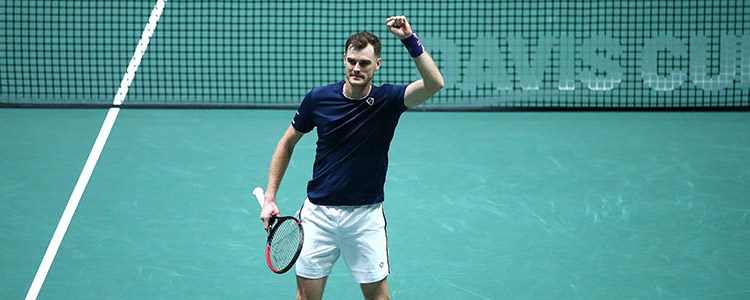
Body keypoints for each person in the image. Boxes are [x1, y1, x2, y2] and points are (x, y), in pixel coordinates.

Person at [259, 16, 443, 300]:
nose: (356, 68)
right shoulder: (319, 99)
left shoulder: (388, 100)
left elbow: (434, 84)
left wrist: (409, 38)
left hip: (364, 218)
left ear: (377, 65)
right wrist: (270, 197)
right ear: (344, 59)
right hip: (317, 216)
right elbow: (286, 143)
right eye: (352, 61)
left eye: (365, 63)